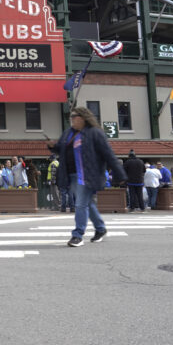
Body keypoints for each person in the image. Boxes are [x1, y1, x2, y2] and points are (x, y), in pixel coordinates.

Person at [51, 106, 125, 247]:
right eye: (71, 117)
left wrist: (119, 173)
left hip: (87, 175)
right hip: (71, 174)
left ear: (83, 118)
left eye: (74, 116)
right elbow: (60, 149)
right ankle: (100, 229)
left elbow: (108, 154)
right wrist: (52, 147)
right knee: (87, 203)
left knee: (80, 204)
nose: (71, 119)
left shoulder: (95, 133)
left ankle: (77, 235)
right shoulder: (69, 133)